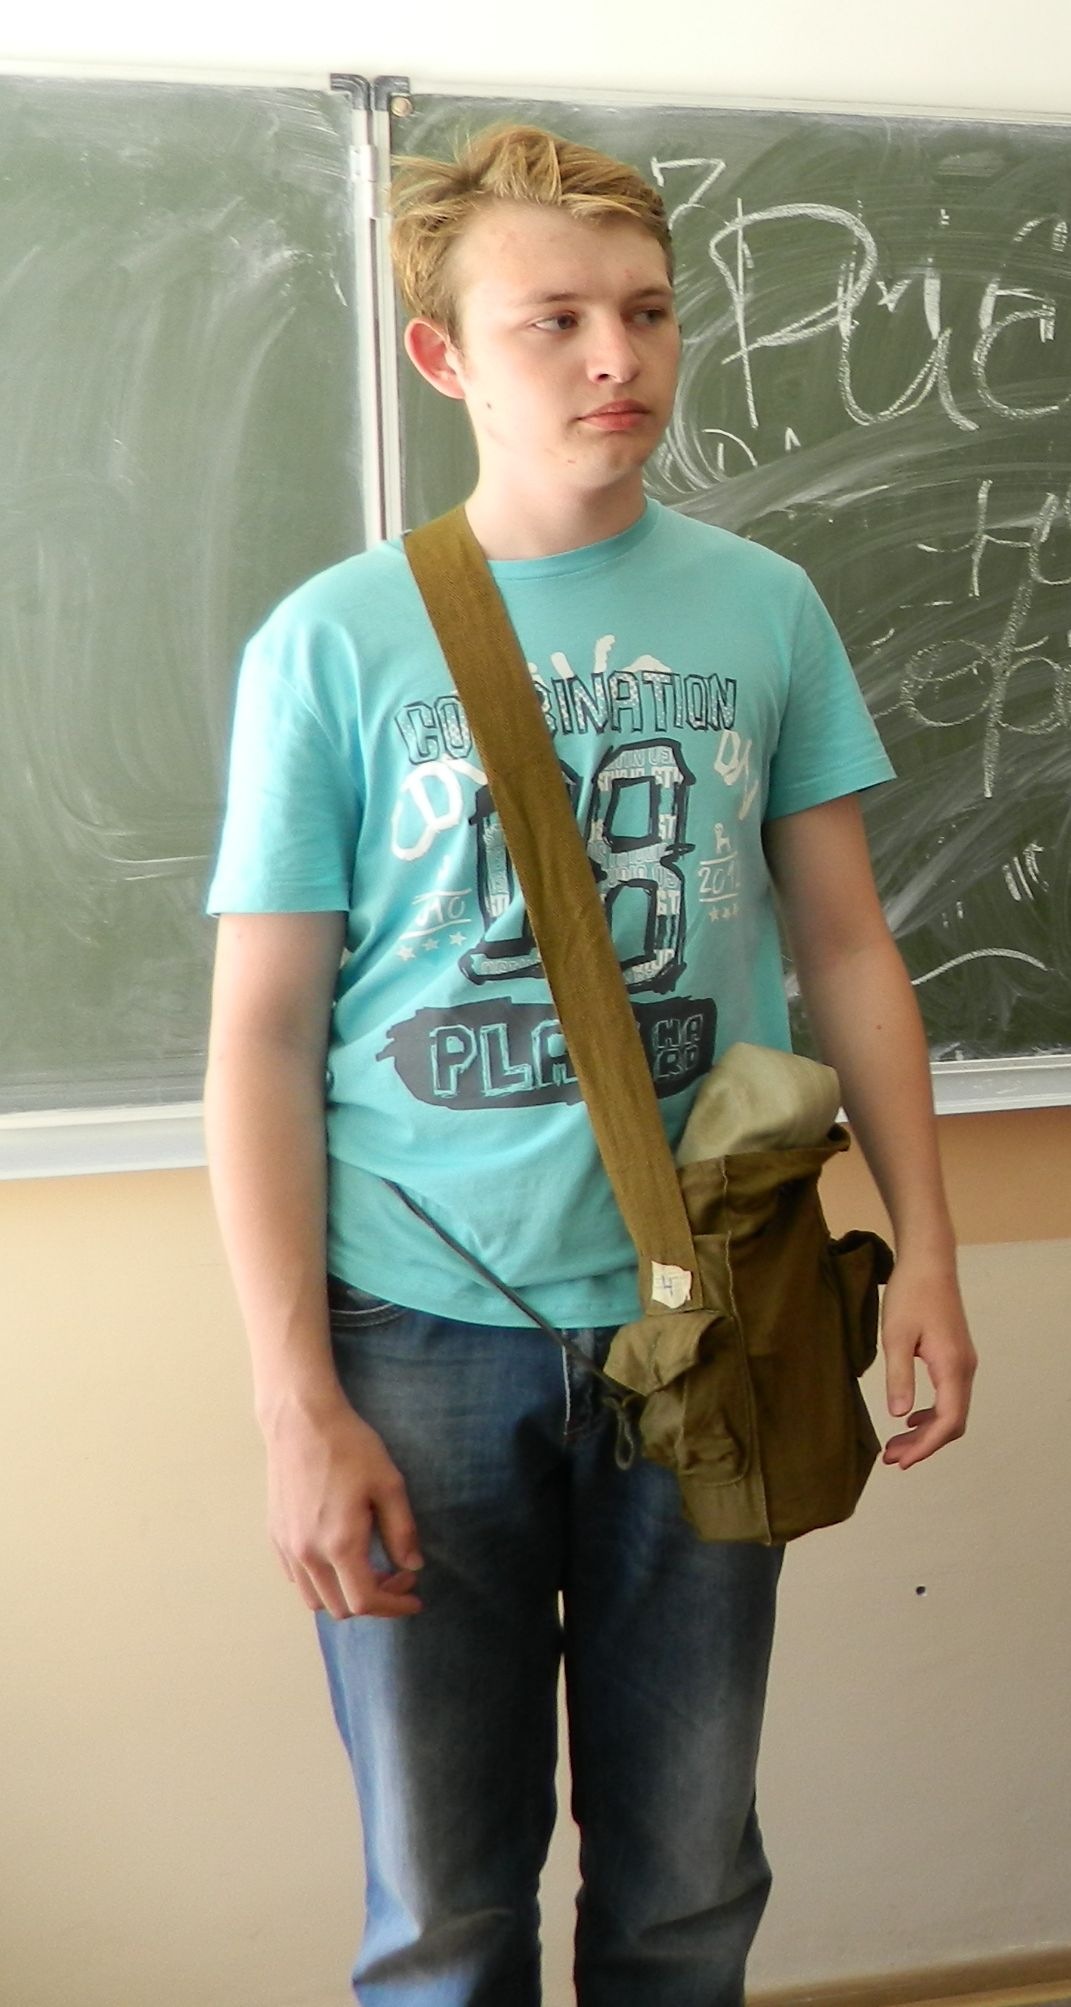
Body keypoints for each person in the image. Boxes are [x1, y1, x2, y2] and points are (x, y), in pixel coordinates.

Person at [204, 124, 977, 2007]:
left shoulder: (764, 607)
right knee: (443, 1909)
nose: (617, 356)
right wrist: (296, 1402)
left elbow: (848, 947)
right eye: (553, 319)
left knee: (688, 1882)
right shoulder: (334, 642)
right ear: (444, 356)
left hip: (713, 1311)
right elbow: (263, 1033)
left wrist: (930, 1256)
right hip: (415, 1339)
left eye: (647, 311)